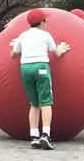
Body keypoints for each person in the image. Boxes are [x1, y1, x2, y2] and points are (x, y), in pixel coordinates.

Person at [10, 8, 70, 150]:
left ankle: (34, 136)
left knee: (34, 103)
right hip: (41, 67)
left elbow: (13, 55)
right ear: (42, 22)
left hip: (25, 68)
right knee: (46, 102)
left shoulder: (23, 36)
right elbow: (56, 54)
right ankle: (46, 134)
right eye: (46, 21)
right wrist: (62, 49)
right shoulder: (46, 35)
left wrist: (14, 46)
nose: (46, 23)